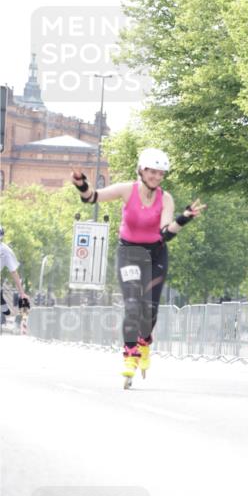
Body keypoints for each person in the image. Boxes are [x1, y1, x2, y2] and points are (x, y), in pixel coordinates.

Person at [71, 148, 205, 382]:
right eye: (152, 172)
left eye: (160, 173)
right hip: (129, 253)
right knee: (133, 304)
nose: (156, 177)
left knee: (150, 307)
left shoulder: (166, 198)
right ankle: (130, 352)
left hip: (155, 255)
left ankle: (144, 342)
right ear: (141, 170)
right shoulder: (127, 190)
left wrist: (183, 219)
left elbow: (166, 233)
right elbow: (92, 197)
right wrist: (81, 183)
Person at [0, 225, 30, 328]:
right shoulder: (6, 251)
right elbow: (14, 272)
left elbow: (14, 272)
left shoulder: (6, 251)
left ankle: (4, 314)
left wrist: (22, 293)